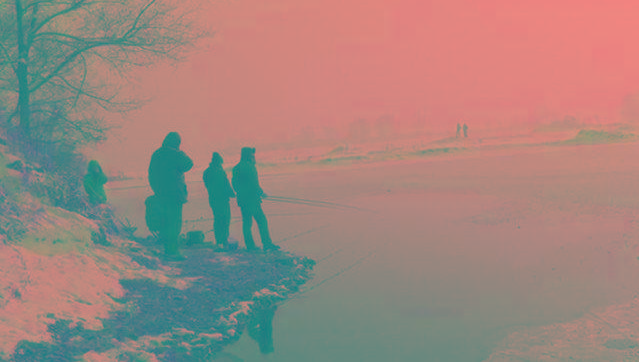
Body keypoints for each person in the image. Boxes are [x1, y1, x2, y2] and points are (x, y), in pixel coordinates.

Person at [147, 132, 193, 259]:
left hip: (160, 194)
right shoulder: (176, 154)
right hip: (175, 195)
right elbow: (189, 164)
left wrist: (156, 190)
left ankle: (168, 249)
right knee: (174, 223)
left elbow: (151, 174)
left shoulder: (156, 154)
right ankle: (172, 252)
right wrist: (179, 152)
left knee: (165, 222)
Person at [232, 147, 280, 252]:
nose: (254, 156)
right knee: (262, 221)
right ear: (248, 155)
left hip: (243, 200)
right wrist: (261, 193)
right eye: (252, 154)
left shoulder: (236, 167)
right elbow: (254, 184)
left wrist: (242, 193)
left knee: (247, 223)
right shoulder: (250, 167)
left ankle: (250, 246)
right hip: (252, 200)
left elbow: (234, 184)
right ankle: (267, 244)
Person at [203, 152, 235, 249]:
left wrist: (229, 192)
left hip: (214, 199)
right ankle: (223, 241)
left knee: (219, 219)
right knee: (224, 219)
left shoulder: (207, 172)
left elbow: (208, 186)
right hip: (221, 199)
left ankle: (220, 241)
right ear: (218, 161)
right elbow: (225, 184)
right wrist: (231, 193)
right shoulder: (219, 171)